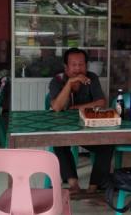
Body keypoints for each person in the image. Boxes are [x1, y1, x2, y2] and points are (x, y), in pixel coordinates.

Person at [48, 48, 113, 195]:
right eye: (74, 65)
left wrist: (74, 108)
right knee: (58, 142)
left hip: (87, 130)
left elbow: (101, 103)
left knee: (107, 145)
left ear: (86, 65)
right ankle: (73, 185)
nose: (78, 68)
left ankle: (93, 187)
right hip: (64, 129)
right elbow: (57, 107)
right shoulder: (57, 81)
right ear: (66, 67)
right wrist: (70, 83)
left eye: (81, 64)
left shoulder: (92, 78)